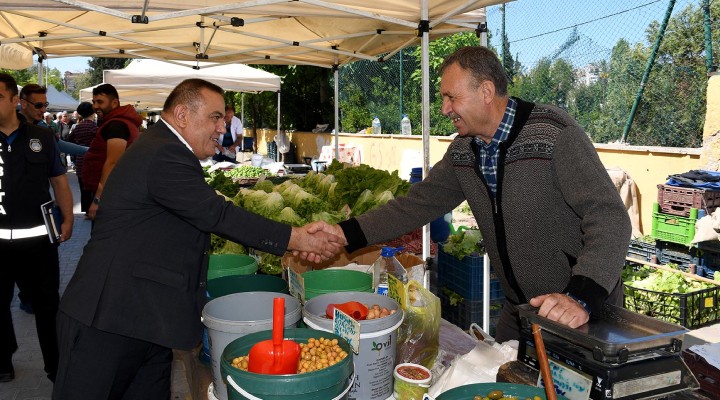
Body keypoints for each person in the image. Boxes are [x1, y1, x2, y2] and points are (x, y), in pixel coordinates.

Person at [314, 46, 632, 343]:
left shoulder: (553, 134)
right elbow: (415, 206)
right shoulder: (464, 151)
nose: (444, 109)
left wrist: (580, 296)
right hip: (519, 311)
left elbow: (609, 217)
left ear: (486, 91)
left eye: (452, 97)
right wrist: (343, 233)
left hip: (580, 314)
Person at [52, 78, 343, 399]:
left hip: (145, 322)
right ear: (182, 115)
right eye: (215, 117)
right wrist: (297, 238)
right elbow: (216, 214)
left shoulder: (165, 149)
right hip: (107, 321)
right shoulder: (162, 153)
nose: (223, 126)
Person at [0, 73, 74, 383]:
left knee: (47, 306)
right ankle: (3, 359)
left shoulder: (41, 137)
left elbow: (59, 180)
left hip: (39, 243)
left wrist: (68, 218)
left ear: (14, 100)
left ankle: (55, 366)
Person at [82, 83, 143, 221]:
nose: (95, 106)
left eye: (100, 102)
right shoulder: (117, 122)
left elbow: (113, 163)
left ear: (114, 103)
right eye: (93, 102)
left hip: (111, 197)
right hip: (115, 194)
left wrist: (98, 199)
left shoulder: (117, 125)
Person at [66, 102, 96, 215]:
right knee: (91, 185)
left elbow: (69, 138)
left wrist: (79, 145)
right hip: (91, 159)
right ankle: (91, 210)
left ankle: (85, 210)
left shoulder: (78, 127)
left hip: (79, 159)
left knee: (82, 185)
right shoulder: (93, 126)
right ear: (92, 112)